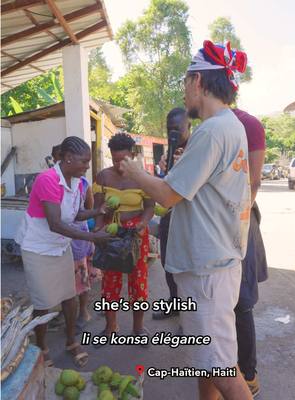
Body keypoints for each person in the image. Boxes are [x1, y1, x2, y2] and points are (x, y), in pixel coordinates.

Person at [120, 40, 253, 400]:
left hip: (207, 268)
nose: (184, 92)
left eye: (184, 84)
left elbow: (167, 196)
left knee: (222, 368)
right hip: (215, 262)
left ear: (198, 82)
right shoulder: (231, 125)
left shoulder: (211, 131)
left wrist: (134, 172)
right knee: (208, 361)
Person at [16, 136, 111, 367]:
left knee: (70, 296)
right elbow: (56, 223)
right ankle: (42, 346)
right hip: (38, 248)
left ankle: (70, 341)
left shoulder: (77, 182)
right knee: (43, 302)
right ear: (68, 158)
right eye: (84, 161)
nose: (88, 166)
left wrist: (98, 211)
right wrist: (93, 237)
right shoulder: (47, 180)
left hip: (60, 246)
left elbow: (75, 214)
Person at [93, 132, 155, 339]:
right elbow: (97, 209)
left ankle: (138, 328)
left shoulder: (142, 177)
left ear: (132, 155)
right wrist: (99, 230)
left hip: (136, 234)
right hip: (111, 233)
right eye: (115, 159)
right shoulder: (103, 176)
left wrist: (142, 224)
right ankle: (111, 327)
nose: (120, 165)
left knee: (138, 281)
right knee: (110, 280)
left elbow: (149, 207)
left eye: (124, 160)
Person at [232, 109, 268, 397]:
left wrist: (237, 221)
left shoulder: (247, 123)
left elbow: (253, 183)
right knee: (226, 306)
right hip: (224, 228)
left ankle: (249, 374)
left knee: (242, 305)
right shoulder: (205, 127)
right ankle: (233, 370)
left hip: (239, 224)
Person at [152, 107, 191, 320]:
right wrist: (163, 169)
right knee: (168, 264)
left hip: (189, 221)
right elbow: (163, 185)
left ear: (189, 127)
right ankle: (174, 304)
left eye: (177, 129)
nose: (172, 134)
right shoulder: (169, 151)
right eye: (169, 130)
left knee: (186, 272)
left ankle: (188, 316)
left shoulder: (198, 149)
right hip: (169, 217)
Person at [71, 176, 102, 333]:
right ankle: (69, 313)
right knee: (66, 279)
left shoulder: (83, 184)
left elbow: (89, 210)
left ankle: (83, 312)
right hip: (59, 238)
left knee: (81, 277)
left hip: (79, 237)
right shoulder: (53, 181)